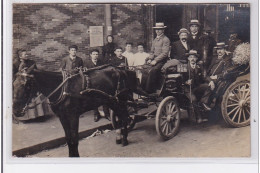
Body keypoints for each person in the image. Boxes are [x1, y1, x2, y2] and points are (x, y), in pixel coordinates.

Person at [200, 42, 233, 110]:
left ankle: (204, 102)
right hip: (209, 77)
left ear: (224, 50)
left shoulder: (227, 60)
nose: (219, 51)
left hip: (218, 79)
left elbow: (226, 73)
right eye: (218, 49)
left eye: (221, 49)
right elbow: (208, 69)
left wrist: (217, 77)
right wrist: (209, 78)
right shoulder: (214, 58)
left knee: (211, 84)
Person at [84, 49, 110, 122]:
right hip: (92, 84)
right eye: (94, 54)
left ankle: (107, 113)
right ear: (91, 55)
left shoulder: (101, 62)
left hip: (101, 83)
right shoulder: (86, 63)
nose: (95, 56)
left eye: (97, 54)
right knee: (94, 99)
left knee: (105, 98)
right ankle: (96, 114)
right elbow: (85, 74)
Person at [145, 22, 170, 93]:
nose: (157, 31)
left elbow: (165, 53)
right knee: (144, 69)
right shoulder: (155, 40)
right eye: (156, 29)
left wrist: (155, 60)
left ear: (163, 30)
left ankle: (150, 92)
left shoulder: (165, 39)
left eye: (159, 29)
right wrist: (150, 59)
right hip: (154, 59)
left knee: (154, 71)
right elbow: (152, 51)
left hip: (162, 60)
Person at [183, 50, 205, 123]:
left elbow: (203, 77)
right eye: (191, 57)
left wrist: (210, 81)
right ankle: (198, 116)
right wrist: (186, 82)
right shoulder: (185, 67)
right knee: (194, 99)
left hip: (196, 87)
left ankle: (205, 105)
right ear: (188, 59)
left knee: (207, 87)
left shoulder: (199, 67)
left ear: (196, 59)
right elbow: (180, 79)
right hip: (187, 89)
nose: (192, 59)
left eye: (194, 57)